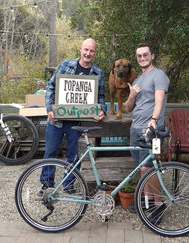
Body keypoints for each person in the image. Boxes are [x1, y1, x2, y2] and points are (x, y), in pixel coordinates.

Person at [39, 38, 106, 195]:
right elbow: (51, 86)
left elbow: (101, 97)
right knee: (50, 153)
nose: (88, 53)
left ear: (95, 53)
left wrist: (101, 110)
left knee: (74, 155)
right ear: (80, 49)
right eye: (86, 50)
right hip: (57, 120)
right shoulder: (66, 65)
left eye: (91, 51)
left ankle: (68, 185)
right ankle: (47, 186)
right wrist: (49, 109)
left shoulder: (98, 73)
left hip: (77, 122)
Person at [125, 43, 170, 224]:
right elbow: (128, 108)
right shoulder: (137, 81)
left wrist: (154, 120)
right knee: (140, 167)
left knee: (149, 167)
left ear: (152, 56)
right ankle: (147, 203)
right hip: (135, 129)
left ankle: (159, 205)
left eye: (145, 55)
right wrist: (132, 95)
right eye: (139, 56)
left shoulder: (159, 75)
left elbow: (159, 100)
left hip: (151, 130)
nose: (142, 58)